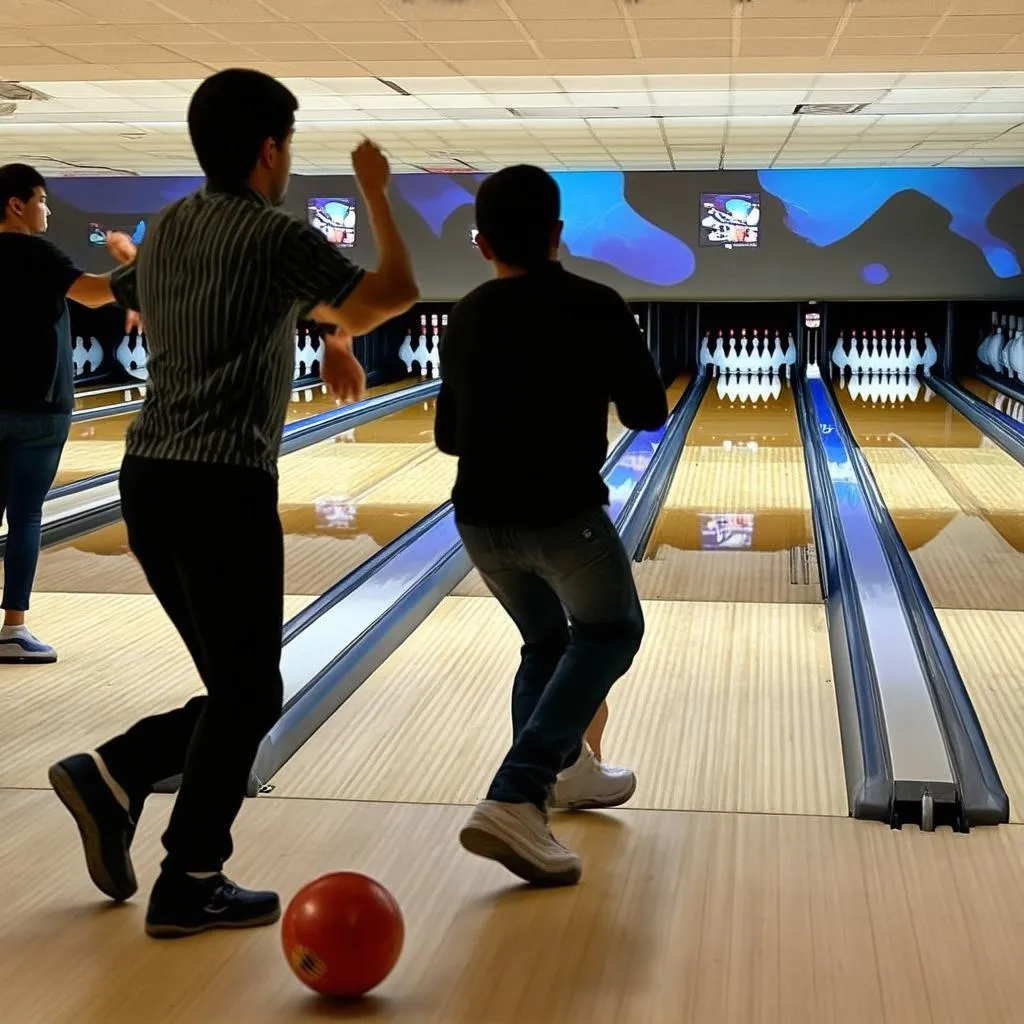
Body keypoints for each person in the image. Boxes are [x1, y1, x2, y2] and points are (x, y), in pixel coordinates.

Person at [47, 68, 418, 939]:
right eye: (288, 146)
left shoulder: (169, 227)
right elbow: (392, 294)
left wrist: (324, 334)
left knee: (238, 687)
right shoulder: (271, 233)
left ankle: (116, 777)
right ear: (269, 150)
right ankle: (187, 874)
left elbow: (112, 294)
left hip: (149, 479)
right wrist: (377, 195)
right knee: (249, 692)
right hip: (223, 487)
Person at [434, 165, 668, 886]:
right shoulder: (596, 303)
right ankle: (517, 793)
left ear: (480, 244)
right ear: (559, 235)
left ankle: (559, 781)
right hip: (563, 516)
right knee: (612, 632)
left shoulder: (469, 312)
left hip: (480, 520)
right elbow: (649, 413)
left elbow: (449, 436)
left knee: (544, 641)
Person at [0, 163, 136, 664]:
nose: (47, 209)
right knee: (27, 515)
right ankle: (13, 628)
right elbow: (96, 293)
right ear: (17, 204)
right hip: (39, 409)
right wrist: (132, 263)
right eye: (41, 199)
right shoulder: (37, 253)